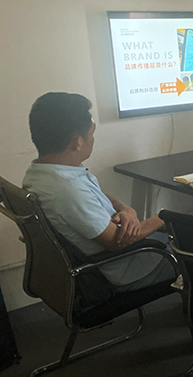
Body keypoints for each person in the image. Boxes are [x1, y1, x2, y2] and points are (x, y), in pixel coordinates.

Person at [22, 93, 175, 292]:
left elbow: (95, 194)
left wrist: (126, 209)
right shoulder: (68, 189)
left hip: (100, 262)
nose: (92, 139)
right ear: (77, 142)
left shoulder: (42, 172)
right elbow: (116, 241)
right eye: (91, 134)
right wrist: (161, 219)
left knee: (178, 236)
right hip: (125, 269)